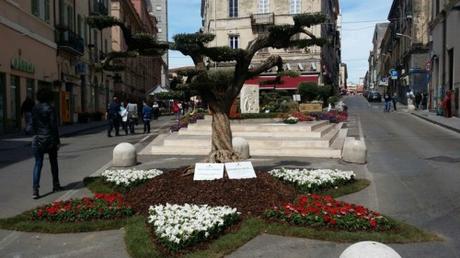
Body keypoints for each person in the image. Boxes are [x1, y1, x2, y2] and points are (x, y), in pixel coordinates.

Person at [31, 88, 62, 199]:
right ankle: (56, 185)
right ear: (49, 97)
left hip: (37, 139)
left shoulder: (34, 108)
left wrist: (36, 135)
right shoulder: (50, 108)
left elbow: (33, 125)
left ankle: (35, 190)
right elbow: (54, 126)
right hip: (49, 139)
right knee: (53, 162)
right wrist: (57, 141)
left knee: (38, 164)